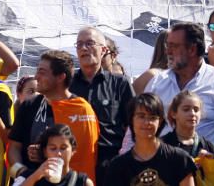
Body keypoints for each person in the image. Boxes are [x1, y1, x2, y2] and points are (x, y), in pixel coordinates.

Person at [144, 22, 214, 155]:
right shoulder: (157, 83)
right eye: (167, 45)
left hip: (205, 171)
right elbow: (138, 127)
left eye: (174, 46)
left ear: (192, 50)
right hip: (163, 171)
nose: (167, 51)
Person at [8, 50, 99, 183]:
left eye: (42, 72)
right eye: (37, 71)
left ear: (60, 77)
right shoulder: (29, 105)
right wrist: (22, 173)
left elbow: (85, 156)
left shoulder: (82, 109)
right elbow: (13, 148)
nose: (36, 77)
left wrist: (47, 152)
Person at [68, 27, 134, 182]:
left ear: (104, 50)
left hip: (110, 164)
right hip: (73, 165)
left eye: (90, 43)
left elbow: (133, 124)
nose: (83, 48)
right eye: (79, 45)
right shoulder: (66, 84)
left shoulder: (120, 84)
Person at [105, 94, 196, 186]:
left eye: (152, 117)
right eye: (141, 116)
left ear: (160, 122)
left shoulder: (179, 159)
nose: (147, 122)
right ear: (131, 120)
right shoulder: (117, 166)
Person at [17, 124, 94, 186]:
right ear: (45, 151)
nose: (58, 153)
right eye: (53, 148)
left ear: (72, 150)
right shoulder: (28, 177)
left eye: (63, 148)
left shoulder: (82, 182)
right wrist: (36, 176)